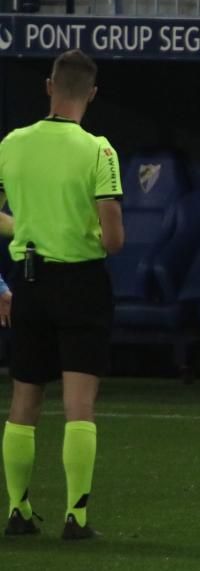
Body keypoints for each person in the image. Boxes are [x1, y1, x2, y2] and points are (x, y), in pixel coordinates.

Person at [0, 50, 125, 540]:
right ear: (91, 94)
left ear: (49, 86)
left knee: (24, 398)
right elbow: (113, 240)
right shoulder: (99, 151)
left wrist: (30, 226)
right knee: (79, 404)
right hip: (82, 284)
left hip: (29, 281)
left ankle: (17, 510)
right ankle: (77, 516)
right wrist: (80, 229)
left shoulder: (11, 144)